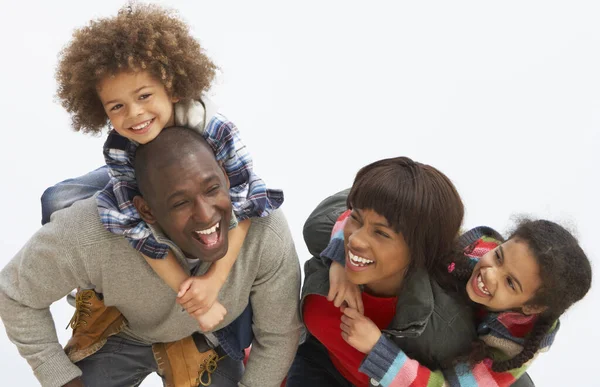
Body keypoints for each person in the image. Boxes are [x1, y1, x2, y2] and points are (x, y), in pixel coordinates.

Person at [45, 3, 284, 335]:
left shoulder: (215, 131)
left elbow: (245, 203)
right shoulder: (119, 149)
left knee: (218, 229)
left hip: (196, 190)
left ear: (170, 88)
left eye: (144, 96)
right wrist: (189, 292)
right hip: (147, 184)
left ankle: (219, 339)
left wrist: (212, 283)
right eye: (117, 107)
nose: (134, 115)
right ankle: (97, 296)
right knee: (57, 198)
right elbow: (134, 226)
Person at [0, 127, 302, 387]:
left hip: (211, 337)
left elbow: (278, 334)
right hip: (124, 328)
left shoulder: (265, 228)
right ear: (146, 210)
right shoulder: (90, 231)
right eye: (180, 202)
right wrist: (61, 379)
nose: (206, 213)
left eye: (212, 189)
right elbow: (15, 295)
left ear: (225, 177)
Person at [287, 157, 476, 387]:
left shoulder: (446, 327)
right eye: (355, 219)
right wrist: (337, 258)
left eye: (381, 234)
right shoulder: (324, 237)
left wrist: (381, 352)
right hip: (317, 363)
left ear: (420, 251)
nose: (355, 240)